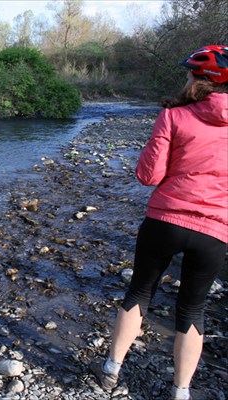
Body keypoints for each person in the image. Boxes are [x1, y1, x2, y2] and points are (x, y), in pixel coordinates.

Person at [90, 45, 228, 400]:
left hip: (166, 219)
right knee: (193, 308)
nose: (186, 79)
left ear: (201, 81)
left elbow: (149, 176)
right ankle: (180, 391)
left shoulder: (174, 116)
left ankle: (111, 370)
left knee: (139, 291)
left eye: (190, 74)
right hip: (215, 230)